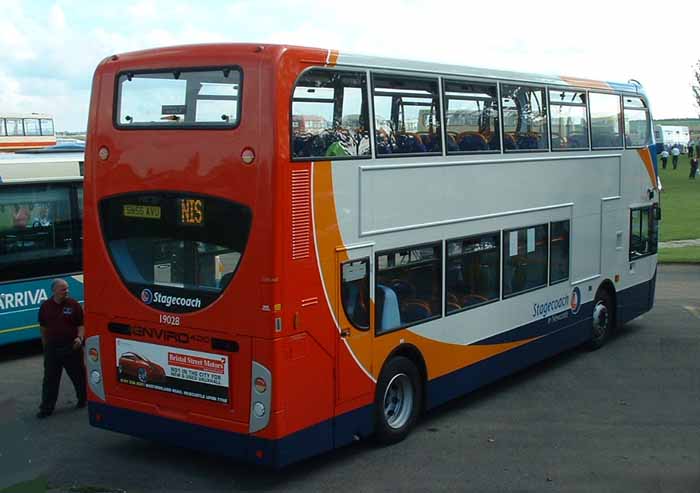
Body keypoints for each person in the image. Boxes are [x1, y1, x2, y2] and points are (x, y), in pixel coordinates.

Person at [36, 278, 86, 418]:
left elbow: (81, 325)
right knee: (50, 379)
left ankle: (83, 399)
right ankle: (46, 408)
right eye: (63, 289)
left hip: (71, 346)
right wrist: (45, 347)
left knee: (79, 376)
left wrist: (80, 338)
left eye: (67, 288)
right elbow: (43, 328)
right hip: (52, 348)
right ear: (54, 291)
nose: (67, 291)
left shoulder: (73, 304)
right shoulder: (45, 306)